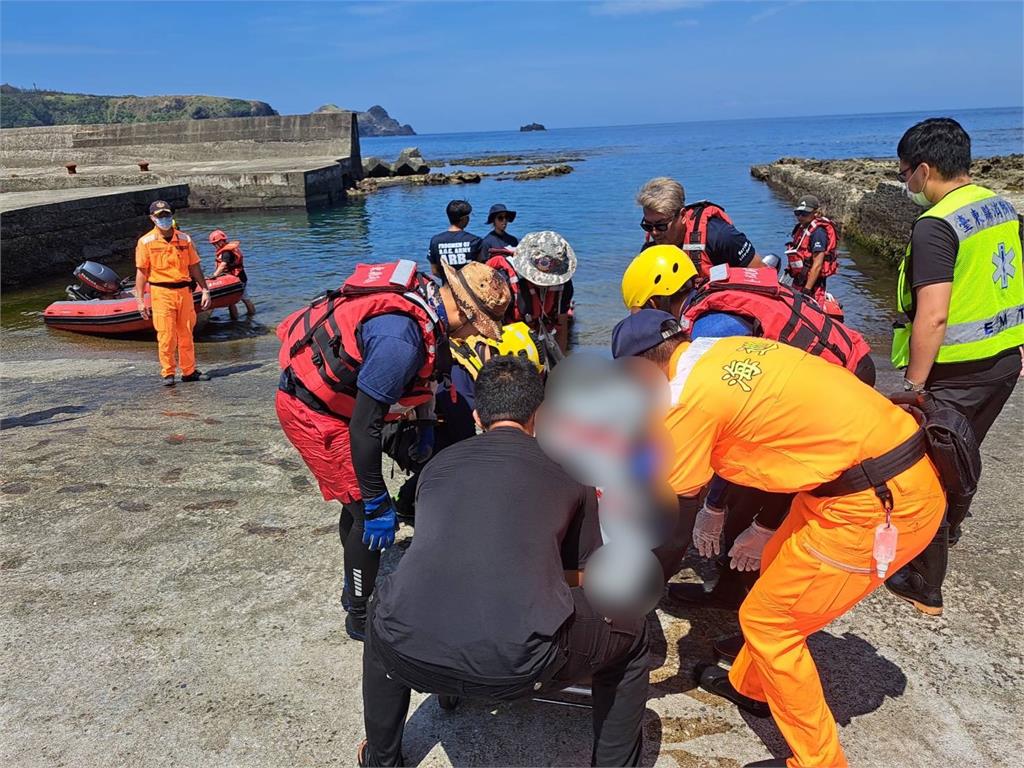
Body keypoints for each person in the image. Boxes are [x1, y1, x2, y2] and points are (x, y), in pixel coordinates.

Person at [611, 309, 946, 768]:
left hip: (877, 505)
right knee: (774, 575)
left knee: (772, 623)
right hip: (851, 481)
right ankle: (753, 685)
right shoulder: (718, 351)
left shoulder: (688, 396)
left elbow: (668, 492)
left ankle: (818, 762)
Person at [359, 356, 650, 768]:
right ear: (542, 415)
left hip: (406, 653)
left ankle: (381, 759)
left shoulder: (438, 465)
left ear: (477, 415)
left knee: (382, 618)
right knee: (633, 632)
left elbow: (438, 547)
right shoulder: (572, 471)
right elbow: (583, 575)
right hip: (518, 666)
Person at [275, 260, 510, 641]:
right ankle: (358, 613)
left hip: (351, 405)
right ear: (465, 313)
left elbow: (428, 377)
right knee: (365, 511)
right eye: (475, 327)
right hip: (314, 412)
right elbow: (363, 427)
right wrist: (375, 500)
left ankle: (356, 568)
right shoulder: (399, 342)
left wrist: (423, 429)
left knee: (360, 508)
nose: (471, 337)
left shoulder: (429, 301)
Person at [886, 117, 1023, 616]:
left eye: (905, 175)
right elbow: (1007, 280)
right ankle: (954, 524)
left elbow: (934, 314)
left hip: (956, 370)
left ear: (924, 170)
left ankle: (924, 582)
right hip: (1002, 362)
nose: (906, 185)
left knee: (929, 469)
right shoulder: (999, 206)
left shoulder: (936, 225)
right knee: (967, 448)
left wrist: (915, 385)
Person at [134, 200, 212, 386]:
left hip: (184, 292)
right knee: (166, 335)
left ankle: (189, 370)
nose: (165, 219)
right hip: (161, 292)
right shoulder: (146, 242)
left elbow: (194, 266)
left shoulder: (185, 239)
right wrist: (140, 300)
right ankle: (168, 372)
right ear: (152, 218)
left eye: (167, 215)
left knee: (186, 333)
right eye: (160, 216)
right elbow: (142, 272)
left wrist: (205, 289)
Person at [636, 176, 764, 278]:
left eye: (661, 225)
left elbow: (762, 276)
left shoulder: (720, 236)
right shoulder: (650, 249)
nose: (654, 232)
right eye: (647, 225)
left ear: (683, 215)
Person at [487, 230, 576, 356]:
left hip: (540, 334)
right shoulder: (504, 282)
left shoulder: (564, 286)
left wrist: (560, 365)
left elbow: (562, 325)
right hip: (509, 343)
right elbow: (492, 331)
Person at [784, 195, 839, 306]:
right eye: (798, 213)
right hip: (799, 281)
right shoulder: (802, 229)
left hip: (812, 286)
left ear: (816, 213)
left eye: (804, 214)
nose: (800, 217)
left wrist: (807, 290)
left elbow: (817, 264)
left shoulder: (818, 233)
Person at [427, 199, 484, 282]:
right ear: (464, 219)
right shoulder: (475, 241)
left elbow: (434, 271)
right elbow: (481, 269)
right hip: (471, 290)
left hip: (447, 291)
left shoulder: (435, 241)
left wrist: (452, 281)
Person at [208, 229, 256, 320]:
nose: (215, 245)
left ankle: (251, 315)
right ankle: (234, 319)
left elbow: (223, 265)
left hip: (238, 279)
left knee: (244, 298)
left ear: (223, 241)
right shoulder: (226, 250)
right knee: (231, 301)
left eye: (217, 242)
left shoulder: (226, 252)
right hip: (232, 279)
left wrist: (214, 275)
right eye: (214, 244)